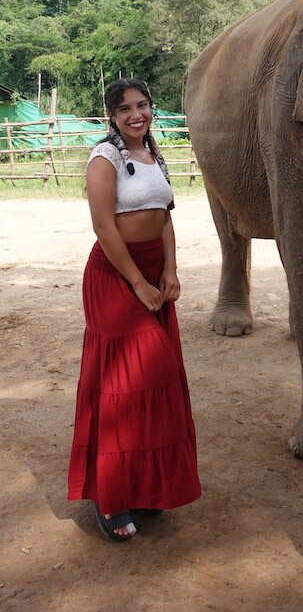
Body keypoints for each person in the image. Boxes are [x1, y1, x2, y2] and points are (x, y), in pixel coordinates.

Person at [68, 78, 201, 540]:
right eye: (125, 108)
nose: (135, 115)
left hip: (150, 275)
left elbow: (165, 216)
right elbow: (104, 227)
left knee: (151, 386)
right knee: (128, 384)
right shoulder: (105, 158)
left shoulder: (152, 155)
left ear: (151, 109)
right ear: (112, 115)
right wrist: (139, 282)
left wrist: (170, 271)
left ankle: (143, 488)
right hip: (115, 276)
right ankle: (111, 497)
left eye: (142, 105)